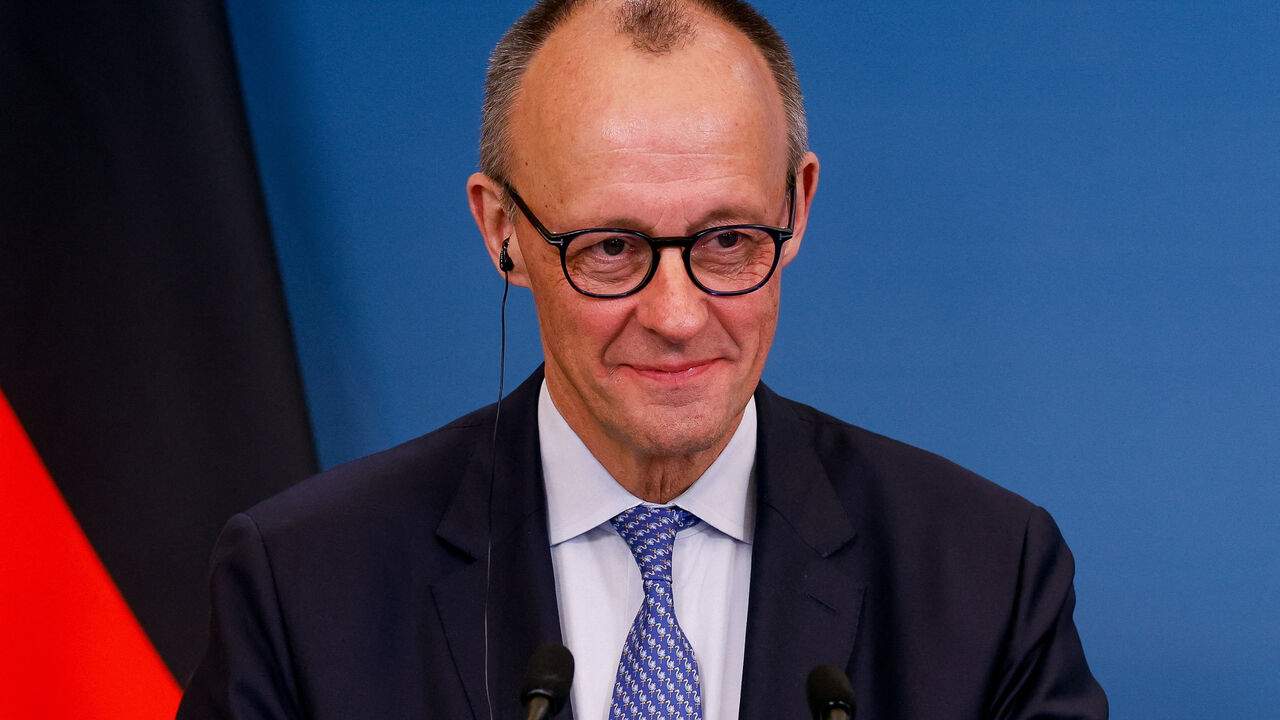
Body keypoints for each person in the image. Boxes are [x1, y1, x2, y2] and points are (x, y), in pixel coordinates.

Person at [177, 1, 1107, 718]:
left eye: (729, 241)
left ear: (798, 208)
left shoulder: (988, 579)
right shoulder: (302, 588)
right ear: (503, 232)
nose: (676, 316)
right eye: (612, 248)